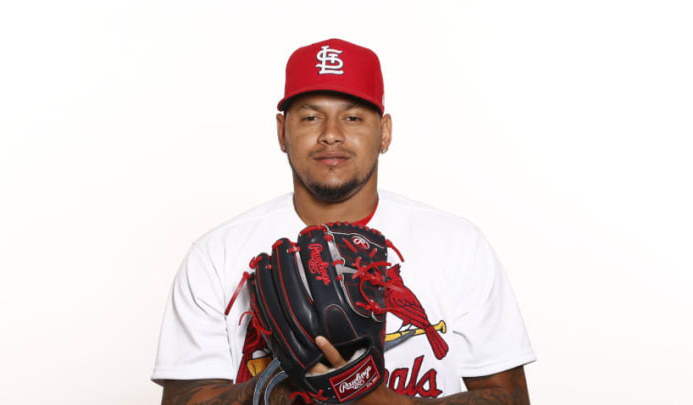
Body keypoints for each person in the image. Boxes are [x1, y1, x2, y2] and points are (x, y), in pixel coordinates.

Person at [152, 38, 536, 404]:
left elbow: (512, 399)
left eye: (352, 117)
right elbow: (182, 400)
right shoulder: (216, 255)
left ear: (384, 132)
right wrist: (283, 390)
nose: (330, 135)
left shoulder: (457, 245)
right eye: (310, 117)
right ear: (281, 131)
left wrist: (378, 400)